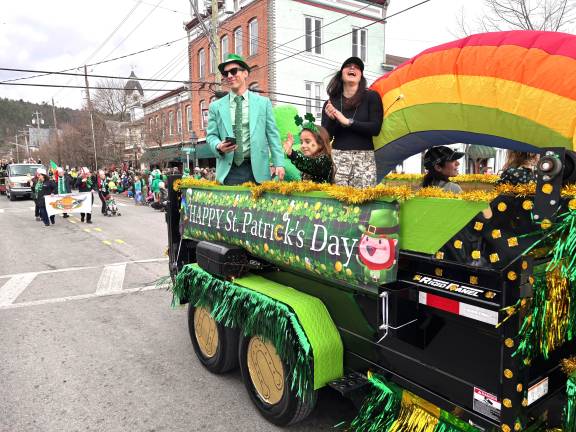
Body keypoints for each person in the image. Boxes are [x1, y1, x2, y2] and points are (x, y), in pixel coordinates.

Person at [206, 53, 285, 185]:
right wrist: (218, 146)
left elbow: (273, 135)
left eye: (233, 71)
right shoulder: (215, 106)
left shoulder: (263, 103)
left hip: (258, 172)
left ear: (245, 73)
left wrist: (279, 163)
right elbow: (211, 136)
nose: (229, 76)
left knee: (259, 206)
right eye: (226, 74)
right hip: (228, 171)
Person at [321, 57, 383, 188]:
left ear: (361, 76)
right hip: (339, 157)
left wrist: (348, 122)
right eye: (348, 66)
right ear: (341, 74)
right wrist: (332, 120)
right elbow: (326, 137)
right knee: (338, 202)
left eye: (357, 67)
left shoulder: (371, 97)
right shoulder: (331, 103)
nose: (352, 68)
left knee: (364, 201)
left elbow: (375, 128)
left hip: (364, 158)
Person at [283, 118, 334, 184]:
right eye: (301, 142)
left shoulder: (325, 160)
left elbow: (309, 164)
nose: (303, 145)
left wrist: (292, 153)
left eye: (307, 142)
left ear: (320, 144)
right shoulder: (307, 158)